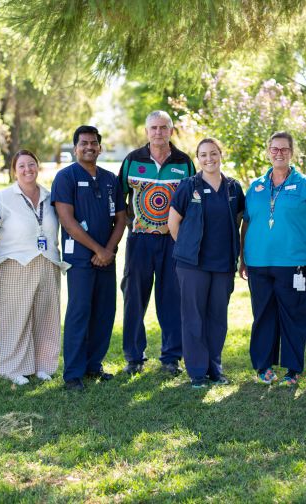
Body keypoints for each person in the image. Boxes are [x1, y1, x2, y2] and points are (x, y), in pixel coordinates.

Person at [238, 132, 306, 385]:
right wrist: (243, 258)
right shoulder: (255, 187)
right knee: (263, 314)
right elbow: (247, 224)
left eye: (284, 149)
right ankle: (263, 367)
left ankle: (293, 369)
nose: (279, 153)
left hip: (294, 264)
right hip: (258, 264)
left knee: (294, 316)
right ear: (268, 151)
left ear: (291, 152)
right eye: (274, 149)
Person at [118, 110, 195, 376]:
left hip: (172, 242)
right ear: (147, 131)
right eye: (154, 128)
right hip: (139, 241)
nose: (158, 132)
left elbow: (191, 203)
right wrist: (132, 226)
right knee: (134, 297)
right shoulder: (132, 160)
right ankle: (134, 356)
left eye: (163, 128)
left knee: (172, 298)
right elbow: (120, 201)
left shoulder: (184, 162)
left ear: (171, 131)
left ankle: (171, 357)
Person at [52, 126, 127, 391]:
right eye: (84, 143)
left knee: (105, 311)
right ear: (75, 147)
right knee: (79, 312)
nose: (89, 147)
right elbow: (68, 221)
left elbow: (121, 218)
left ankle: (93, 365)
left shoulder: (109, 179)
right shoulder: (65, 177)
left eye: (94, 143)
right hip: (81, 257)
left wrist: (109, 250)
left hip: (107, 257)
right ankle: (73, 373)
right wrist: (98, 250)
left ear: (100, 147)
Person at [168, 138, 245, 388]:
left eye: (213, 153)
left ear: (221, 154)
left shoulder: (233, 188)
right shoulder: (188, 186)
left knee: (217, 317)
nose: (209, 159)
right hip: (193, 265)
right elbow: (173, 223)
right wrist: (188, 249)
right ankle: (197, 372)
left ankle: (215, 368)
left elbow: (240, 221)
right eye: (203, 155)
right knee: (194, 317)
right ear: (197, 158)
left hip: (223, 264)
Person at [0, 150, 67, 386]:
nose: (27, 170)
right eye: (21, 166)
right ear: (14, 170)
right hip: (13, 265)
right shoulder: (2, 199)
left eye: (31, 164)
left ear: (38, 167)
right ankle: (12, 368)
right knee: (14, 317)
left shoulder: (50, 197)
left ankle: (43, 365)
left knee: (46, 317)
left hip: (47, 263)